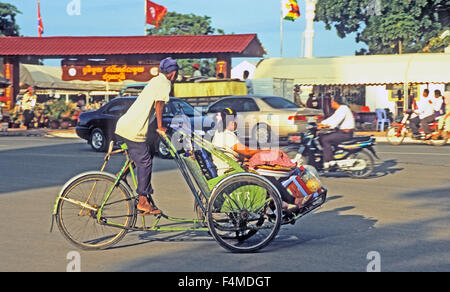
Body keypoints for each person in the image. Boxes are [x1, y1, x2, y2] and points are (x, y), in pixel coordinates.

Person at [115, 57, 179, 215]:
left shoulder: (156, 80)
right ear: (174, 73)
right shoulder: (165, 83)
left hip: (128, 125)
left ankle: (121, 175)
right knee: (145, 163)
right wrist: (160, 127)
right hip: (133, 130)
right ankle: (143, 200)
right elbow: (159, 104)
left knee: (148, 151)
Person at [211, 108, 261, 176]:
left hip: (233, 169)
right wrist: (263, 151)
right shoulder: (226, 135)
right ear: (232, 122)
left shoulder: (220, 132)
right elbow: (247, 152)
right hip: (230, 172)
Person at [317, 96, 355, 169]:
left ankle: (329, 161)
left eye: (331, 102)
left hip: (345, 134)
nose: (331, 103)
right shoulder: (340, 109)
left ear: (335, 102)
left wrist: (324, 125)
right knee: (322, 135)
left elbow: (336, 121)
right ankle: (333, 154)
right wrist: (321, 123)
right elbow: (332, 118)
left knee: (325, 139)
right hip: (342, 132)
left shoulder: (343, 109)